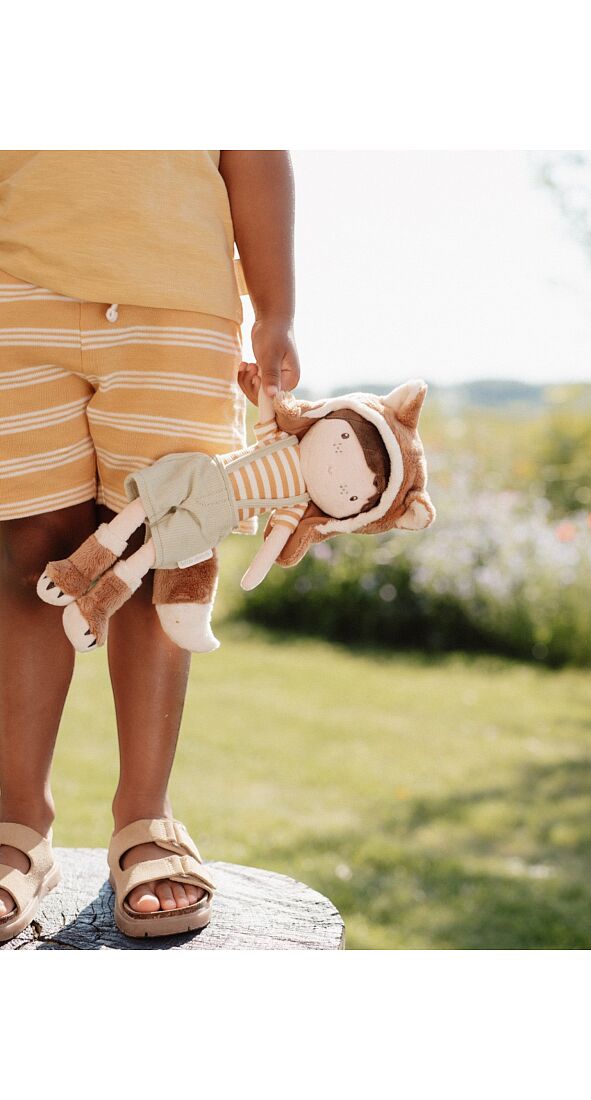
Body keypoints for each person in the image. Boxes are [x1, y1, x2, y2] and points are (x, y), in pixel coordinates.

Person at [0, 150, 299, 938]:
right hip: (15, 293)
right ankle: (17, 821)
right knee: (26, 553)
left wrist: (275, 309)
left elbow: (254, 149)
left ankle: (146, 815)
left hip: (181, 301)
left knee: (167, 550)